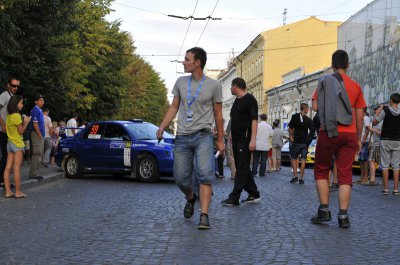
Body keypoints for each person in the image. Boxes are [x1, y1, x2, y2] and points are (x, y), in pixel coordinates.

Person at [156, 47, 224, 229]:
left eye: (187, 60)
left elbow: (218, 115)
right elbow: (174, 107)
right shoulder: (180, 82)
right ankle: (191, 197)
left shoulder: (214, 86)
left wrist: (220, 140)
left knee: (204, 174)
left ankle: (204, 215)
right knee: (180, 178)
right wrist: (162, 126)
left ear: (197, 62)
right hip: (183, 136)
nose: (183, 62)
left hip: (203, 136)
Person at [311, 49, 366, 228]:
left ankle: (324, 210)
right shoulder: (356, 86)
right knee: (345, 174)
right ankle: (343, 216)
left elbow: (314, 107)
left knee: (321, 170)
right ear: (348, 65)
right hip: (349, 134)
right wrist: (358, 138)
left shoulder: (325, 82)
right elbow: (359, 117)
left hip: (329, 131)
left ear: (332, 64)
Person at [221, 77, 260, 206]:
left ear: (236, 86)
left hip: (245, 137)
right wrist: (231, 133)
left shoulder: (250, 100)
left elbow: (254, 120)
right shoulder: (236, 101)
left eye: (231, 86)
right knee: (241, 166)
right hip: (236, 138)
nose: (231, 88)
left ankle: (235, 196)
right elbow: (235, 119)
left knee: (242, 166)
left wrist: (253, 139)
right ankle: (254, 193)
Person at [3, 95, 31, 198]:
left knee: (7, 168)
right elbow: (21, 131)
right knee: (16, 168)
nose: (22, 105)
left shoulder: (9, 116)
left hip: (9, 144)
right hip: (17, 144)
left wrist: (22, 122)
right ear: (16, 104)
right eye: (21, 103)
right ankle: (18, 192)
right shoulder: (16, 116)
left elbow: (12, 130)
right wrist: (27, 122)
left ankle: (8, 192)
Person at [372, 93, 400, 195]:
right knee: (396, 165)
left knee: (384, 165)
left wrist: (379, 111)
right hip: (397, 140)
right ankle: (396, 189)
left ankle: (386, 189)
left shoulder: (385, 111)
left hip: (385, 140)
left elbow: (374, 122)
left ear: (391, 100)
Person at [0, 76, 19, 188]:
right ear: (8, 85)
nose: (15, 88)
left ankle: (4, 180)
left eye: (17, 86)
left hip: (9, 131)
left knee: (7, 155)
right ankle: (1, 180)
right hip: (2, 130)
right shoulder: (4, 95)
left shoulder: (12, 97)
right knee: (6, 155)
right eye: (13, 85)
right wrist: (3, 125)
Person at [288, 103, 312, 184]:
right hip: (304, 142)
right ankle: (301, 178)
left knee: (294, 158)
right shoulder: (308, 120)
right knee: (303, 160)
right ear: (304, 109)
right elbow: (312, 131)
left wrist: (293, 135)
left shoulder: (295, 117)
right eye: (307, 109)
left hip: (296, 142)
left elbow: (289, 128)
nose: (308, 110)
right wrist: (308, 139)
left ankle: (295, 176)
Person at [28, 95, 46, 180]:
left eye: (43, 100)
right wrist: (39, 135)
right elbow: (35, 124)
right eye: (40, 100)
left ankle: (36, 173)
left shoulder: (39, 110)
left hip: (39, 134)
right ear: (36, 101)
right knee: (37, 154)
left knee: (39, 154)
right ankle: (33, 174)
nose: (42, 102)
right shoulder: (35, 110)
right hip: (36, 134)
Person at [366, 106, 382, 186]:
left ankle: (384, 182)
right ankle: (372, 180)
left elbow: (382, 133)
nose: (375, 114)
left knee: (381, 163)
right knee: (370, 160)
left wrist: (372, 130)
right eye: (375, 112)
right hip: (374, 143)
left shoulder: (382, 121)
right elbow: (372, 133)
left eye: (377, 112)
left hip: (381, 144)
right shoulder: (374, 121)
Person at [357, 109, 370, 184]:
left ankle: (365, 177)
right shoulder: (361, 118)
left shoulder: (366, 118)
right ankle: (362, 177)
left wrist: (363, 141)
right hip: (360, 141)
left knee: (365, 160)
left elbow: (367, 131)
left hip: (364, 141)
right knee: (360, 159)